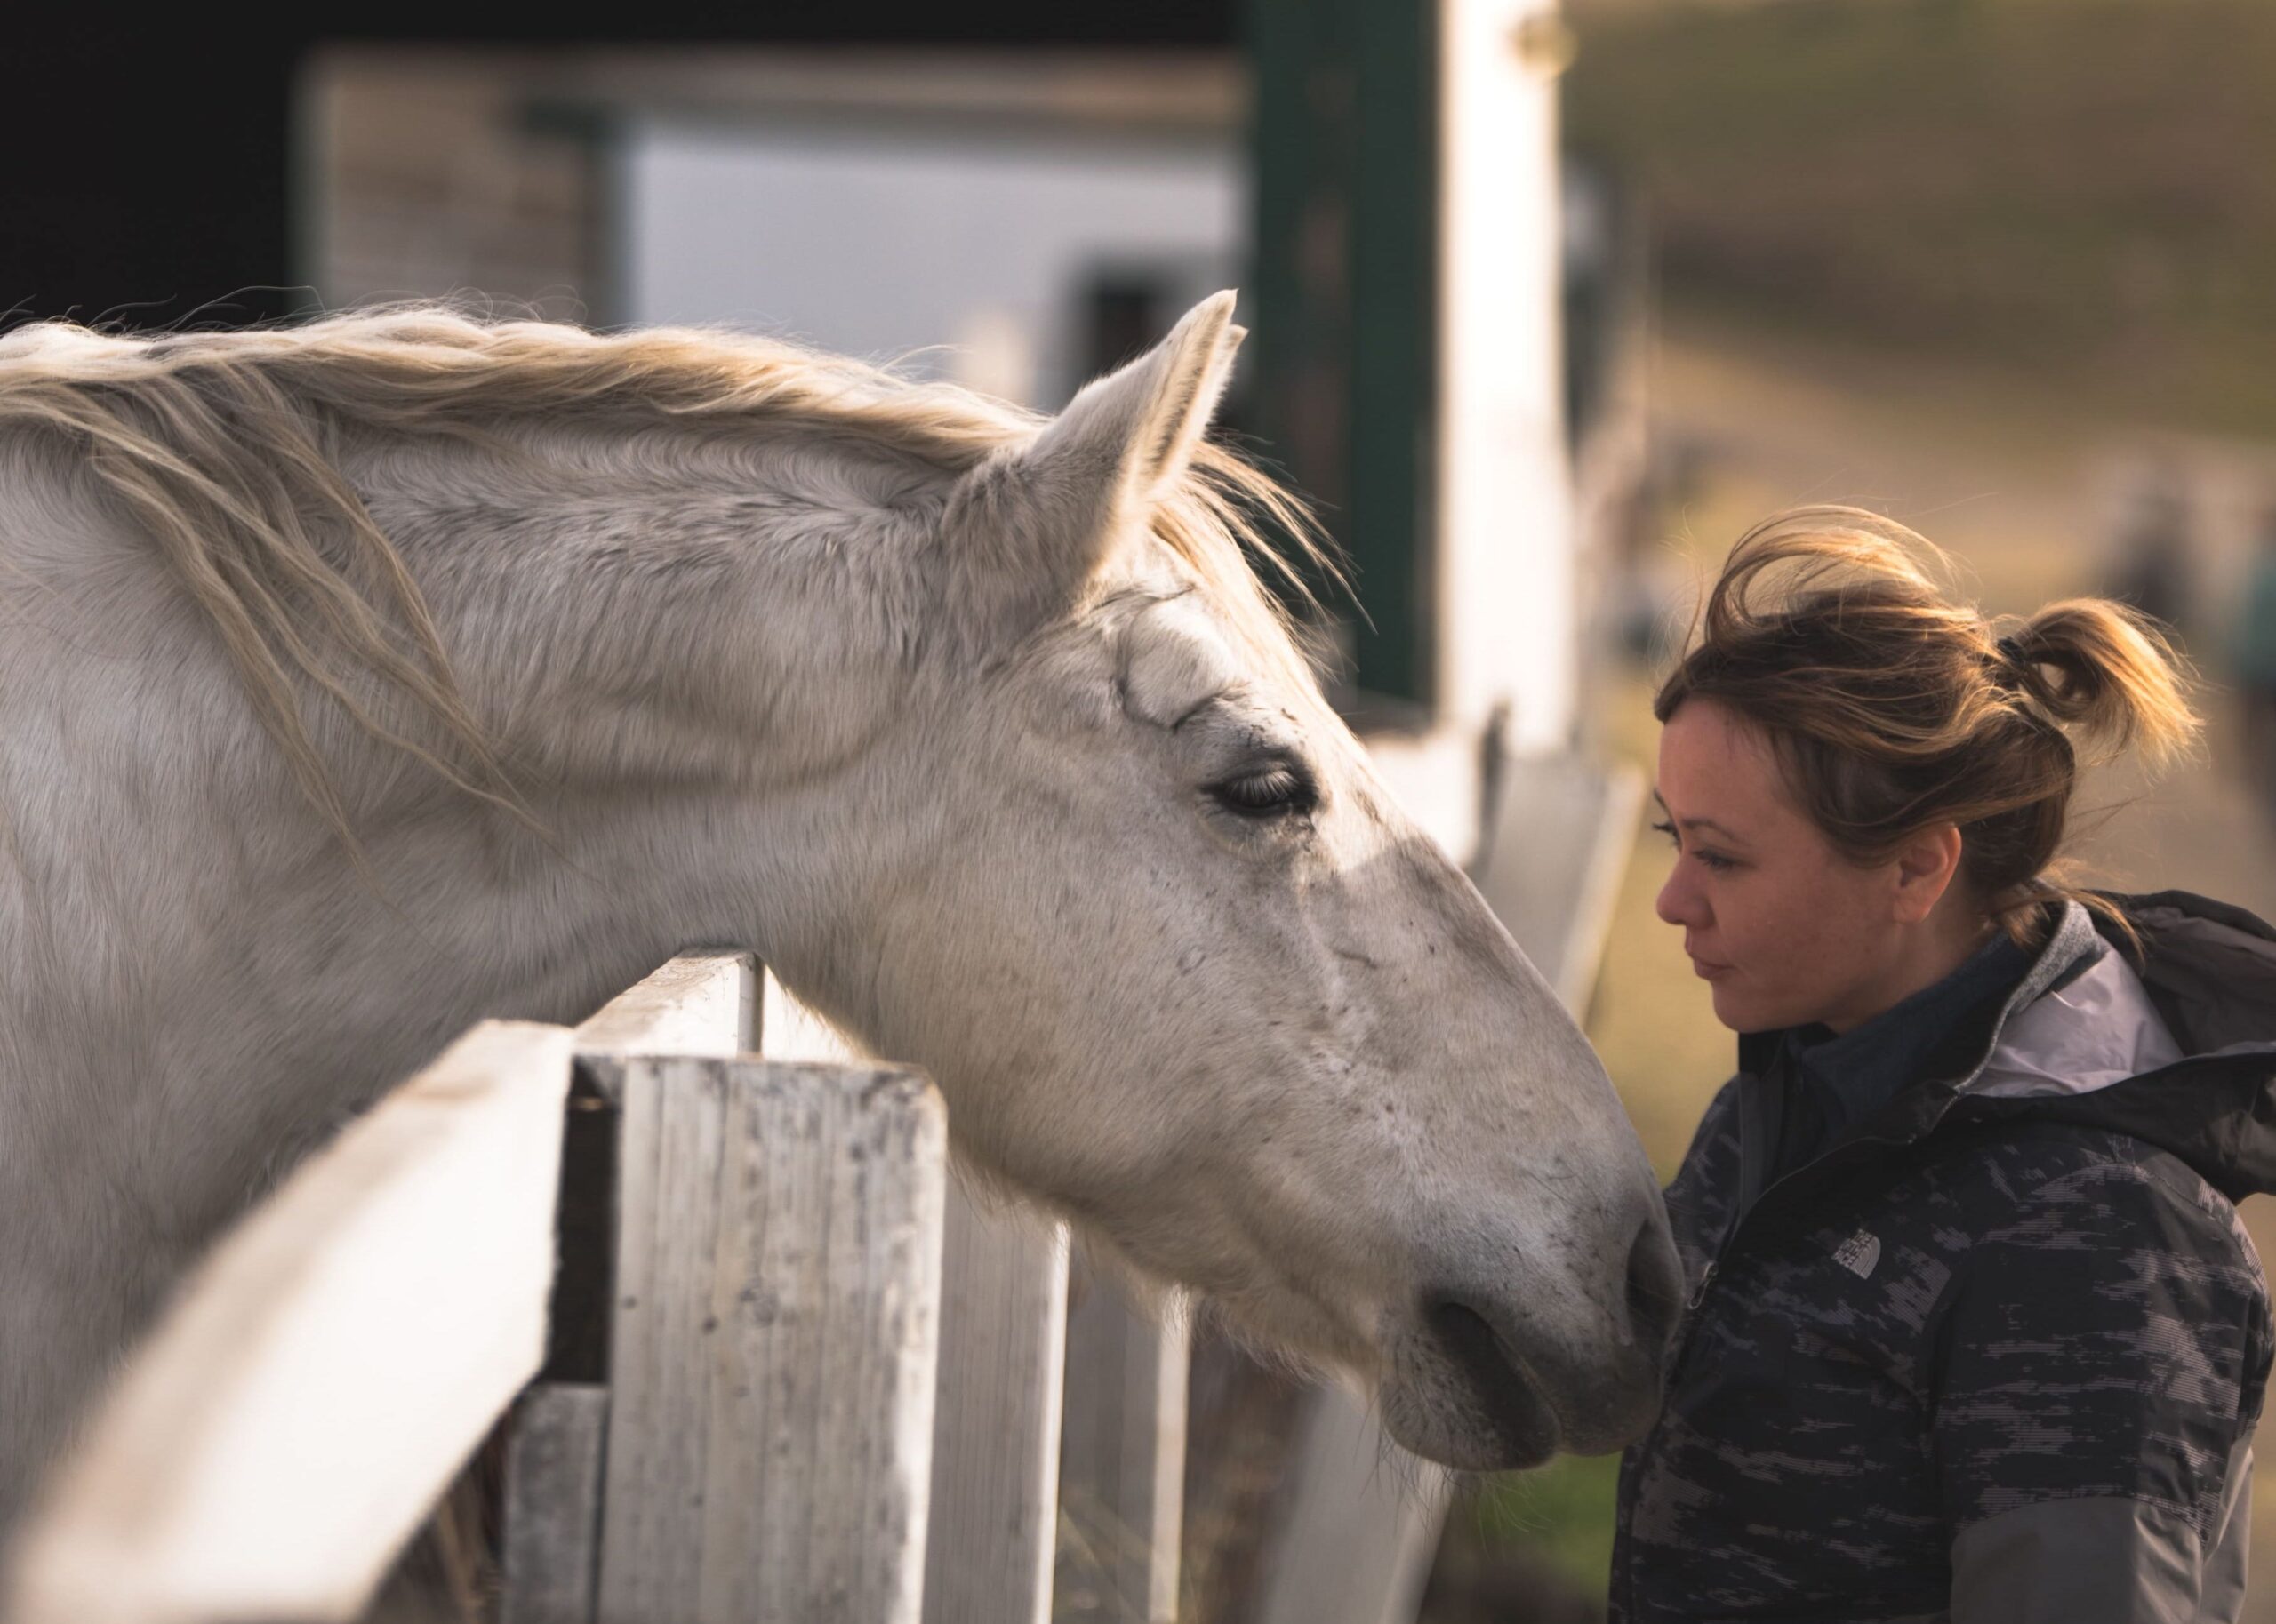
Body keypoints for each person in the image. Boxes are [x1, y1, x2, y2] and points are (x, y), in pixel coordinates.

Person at [1612, 507, 2275, 1624]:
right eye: (1674, 840)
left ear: (1917, 868)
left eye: (1722, 856)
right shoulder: (1789, 1089)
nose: (1675, 901)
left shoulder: (2098, 1235)